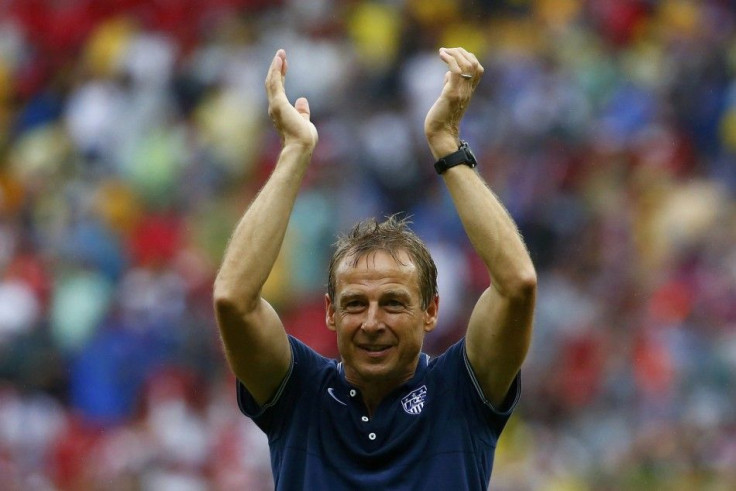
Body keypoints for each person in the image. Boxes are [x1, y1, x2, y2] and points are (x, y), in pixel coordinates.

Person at [213, 47, 537, 490]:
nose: (371, 323)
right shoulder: (298, 394)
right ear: (330, 312)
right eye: (354, 304)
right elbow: (233, 300)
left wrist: (445, 144)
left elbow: (517, 284)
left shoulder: (461, 392)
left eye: (393, 303)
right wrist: (295, 153)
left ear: (431, 310)